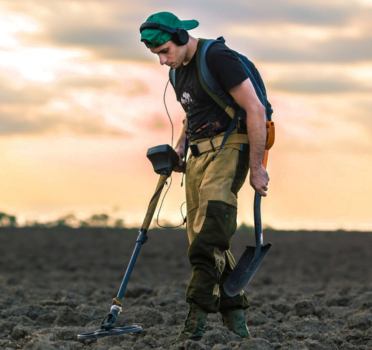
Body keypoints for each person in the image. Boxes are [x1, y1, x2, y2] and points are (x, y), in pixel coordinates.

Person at [139, 12, 270, 343]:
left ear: (182, 38)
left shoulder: (219, 58)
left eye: (165, 51)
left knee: (210, 234)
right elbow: (192, 115)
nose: (162, 60)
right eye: (157, 55)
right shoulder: (176, 73)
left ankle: (194, 322)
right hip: (197, 157)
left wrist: (256, 167)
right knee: (206, 240)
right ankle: (237, 322)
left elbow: (254, 108)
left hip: (230, 149)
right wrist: (180, 149)